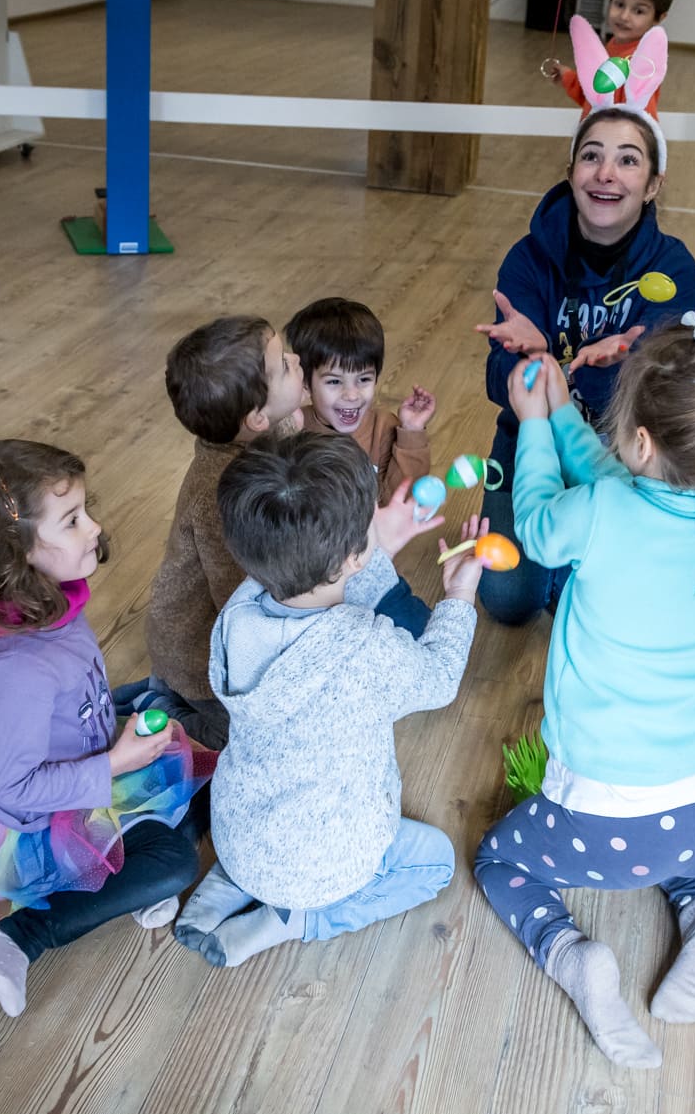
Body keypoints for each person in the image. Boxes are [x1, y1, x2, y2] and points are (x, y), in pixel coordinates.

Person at [471, 322, 695, 1068]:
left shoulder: (605, 512)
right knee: (680, 839)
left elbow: (548, 524)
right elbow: (620, 477)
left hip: (606, 817)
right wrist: (563, 412)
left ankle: (574, 955)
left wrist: (534, 431)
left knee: (498, 863)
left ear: (642, 443)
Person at [0, 440, 216, 1017]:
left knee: (207, 769)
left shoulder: (50, 602)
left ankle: (132, 885)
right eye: (72, 521)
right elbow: (15, 788)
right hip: (41, 823)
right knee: (173, 863)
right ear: (13, 555)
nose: (94, 526)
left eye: (85, 510)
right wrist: (117, 763)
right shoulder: (17, 668)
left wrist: (119, 745)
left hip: (94, 765)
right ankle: (20, 937)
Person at [172, 431, 483, 966]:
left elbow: (321, 588)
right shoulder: (364, 647)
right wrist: (458, 597)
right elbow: (437, 678)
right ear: (351, 555)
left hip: (237, 834)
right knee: (436, 864)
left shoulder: (241, 610)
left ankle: (230, 882)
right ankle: (288, 921)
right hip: (317, 869)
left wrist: (371, 548)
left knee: (267, 825)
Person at [475, 89, 695, 625]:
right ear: (571, 169)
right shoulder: (527, 258)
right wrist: (532, 362)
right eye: (592, 155)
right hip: (530, 437)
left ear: (653, 185)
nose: (606, 173)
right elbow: (499, 377)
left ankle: (566, 559)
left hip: (623, 454)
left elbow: (664, 398)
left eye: (628, 160)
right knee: (508, 602)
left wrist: (609, 377)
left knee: (603, 602)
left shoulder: (673, 270)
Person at [142, 316, 307, 747]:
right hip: (197, 657)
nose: (296, 359)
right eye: (285, 366)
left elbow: (291, 436)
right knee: (252, 740)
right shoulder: (221, 500)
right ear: (255, 418)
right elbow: (237, 600)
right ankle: (165, 710)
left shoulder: (269, 426)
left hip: (218, 635)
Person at [286, 296, 437, 635]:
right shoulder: (293, 431)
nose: (352, 395)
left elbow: (403, 498)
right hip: (304, 586)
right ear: (307, 384)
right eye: (334, 382)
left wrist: (411, 432)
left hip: (369, 570)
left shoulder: (384, 427)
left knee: (419, 628)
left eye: (364, 380)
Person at [546, 0, 675, 117]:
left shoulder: (639, 64)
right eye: (619, 4)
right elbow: (597, 97)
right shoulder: (614, 45)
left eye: (639, 11)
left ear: (659, 18)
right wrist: (568, 78)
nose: (624, 16)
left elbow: (639, 120)